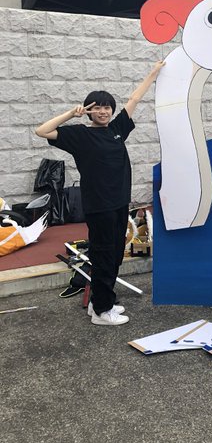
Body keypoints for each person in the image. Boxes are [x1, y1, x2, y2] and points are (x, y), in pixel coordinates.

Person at [35, 61, 165, 326]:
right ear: (89, 111)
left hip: (119, 203)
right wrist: (71, 114)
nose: (103, 112)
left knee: (115, 254)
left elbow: (134, 98)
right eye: (97, 108)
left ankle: (100, 302)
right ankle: (101, 312)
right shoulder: (79, 135)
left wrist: (154, 73)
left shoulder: (117, 130)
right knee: (104, 255)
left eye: (107, 107)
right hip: (99, 205)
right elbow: (42, 131)